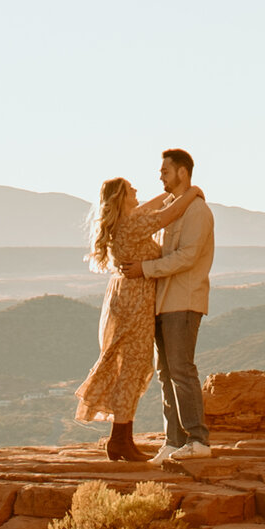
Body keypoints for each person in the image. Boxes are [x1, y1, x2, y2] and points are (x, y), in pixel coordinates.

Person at [73, 173, 166, 462]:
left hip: (123, 299)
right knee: (132, 369)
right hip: (135, 302)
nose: (136, 189)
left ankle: (122, 438)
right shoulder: (132, 224)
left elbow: (147, 209)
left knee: (129, 367)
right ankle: (120, 441)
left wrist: (169, 192)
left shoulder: (123, 223)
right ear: (121, 198)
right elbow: (167, 215)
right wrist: (192, 191)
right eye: (130, 188)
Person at [142, 147, 214, 458]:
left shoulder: (198, 212)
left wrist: (145, 270)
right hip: (161, 303)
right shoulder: (171, 208)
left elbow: (187, 257)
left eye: (165, 172)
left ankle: (197, 441)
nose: (160, 176)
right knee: (165, 374)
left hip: (184, 302)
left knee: (182, 371)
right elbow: (136, 216)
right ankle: (173, 442)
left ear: (182, 172)